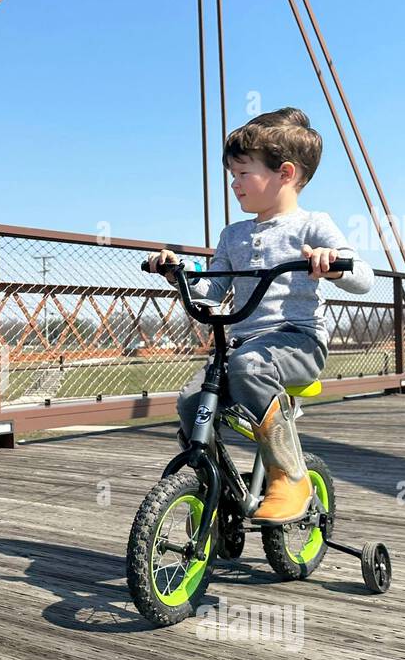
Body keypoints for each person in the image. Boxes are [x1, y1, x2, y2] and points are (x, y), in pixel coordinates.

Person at [147, 107, 373, 524]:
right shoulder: (233, 234)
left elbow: (363, 277)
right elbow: (212, 290)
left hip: (297, 342)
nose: (234, 184)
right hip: (244, 345)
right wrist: (177, 272)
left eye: (242, 174)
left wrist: (333, 261)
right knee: (189, 402)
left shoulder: (311, 225)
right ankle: (214, 484)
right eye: (232, 176)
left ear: (284, 173)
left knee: (250, 368)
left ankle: (290, 475)